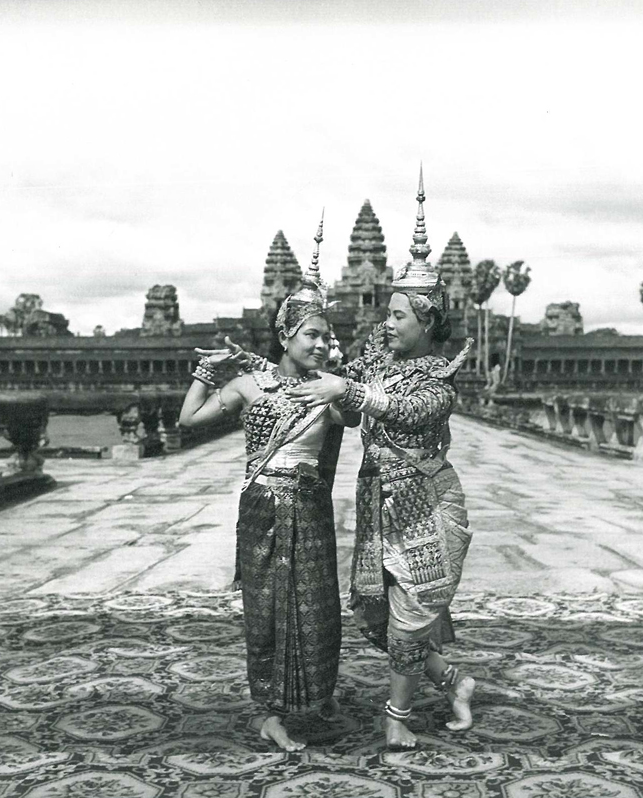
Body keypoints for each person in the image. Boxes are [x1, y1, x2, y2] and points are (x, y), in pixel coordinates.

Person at [285, 169, 477, 750]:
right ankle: (454, 682)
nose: (386, 323)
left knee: (411, 616)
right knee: (373, 616)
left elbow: (403, 409)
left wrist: (348, 391)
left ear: (426, 322)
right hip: (376, 501)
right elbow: (340, 390)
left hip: (426, 507)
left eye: (398, 316)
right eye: (387, 314)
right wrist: (301, 340)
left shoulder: (436, 381)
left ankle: (396, 716)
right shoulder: (374, 360)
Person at [179, 216, 359, 751]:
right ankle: (271, 713)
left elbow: (354, 418)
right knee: (268, 609)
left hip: (309, 505)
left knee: (318, 605)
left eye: (328, 336)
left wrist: (340, 385)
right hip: (263, 506)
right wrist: (208, 371)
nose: (323, 345)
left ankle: (314, 696)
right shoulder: (250, 386)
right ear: (285, 336)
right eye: (312, 335)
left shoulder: (327, 391)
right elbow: (189, 420)